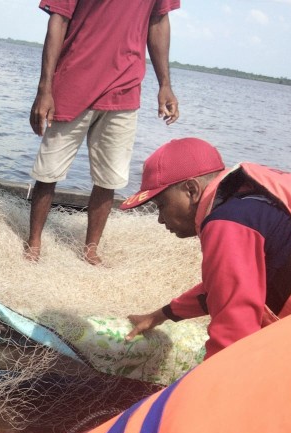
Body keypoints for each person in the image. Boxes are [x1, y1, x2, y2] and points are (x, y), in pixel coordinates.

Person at [122, 137, 291, 358]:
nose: (160, 219)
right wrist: (159, 316)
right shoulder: (247, 199)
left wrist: (205, 389)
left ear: (191, 190)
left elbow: (234, 336)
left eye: (161, 205)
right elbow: (227, 287)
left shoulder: (227, 223)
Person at [26, 0, 180, 265]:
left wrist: (165, 84)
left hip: (126, 89)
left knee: (109, 178)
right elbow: (58, 19)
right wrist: (44, 89)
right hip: (73, 84)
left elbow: (159, 21)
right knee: (48, 172)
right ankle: (34, 242)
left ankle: (91, 250)